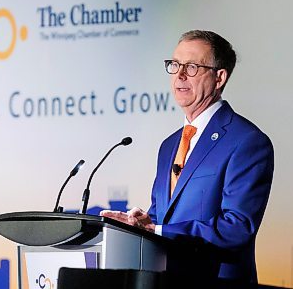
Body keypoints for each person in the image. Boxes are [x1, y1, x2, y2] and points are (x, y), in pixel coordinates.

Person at [101, 30, 274, 285]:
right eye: (175, 65)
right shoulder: (169, 145)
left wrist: (159, 230)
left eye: (192, 67)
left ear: (219, 77)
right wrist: (140, 224)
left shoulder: (247, 142)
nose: (179, 75)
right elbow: (161, 217)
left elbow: (236, 228)